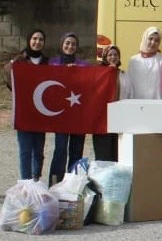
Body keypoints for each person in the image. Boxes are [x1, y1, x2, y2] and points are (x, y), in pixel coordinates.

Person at [48, 32, 89, 184]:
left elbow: (89, 85)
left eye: (73, 44)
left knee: (76, 151)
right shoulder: (53, 63)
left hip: (79, 115)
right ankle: (55, 184)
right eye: (67, 43)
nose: (70, 46)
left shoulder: (84, 65)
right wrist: (64, 70)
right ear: (62, 44)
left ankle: (72, 186)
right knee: (60, 150)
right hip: (61, 115)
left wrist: (77, 72)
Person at [8, 30, 47, 181]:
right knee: (25, 150)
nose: (37, 42)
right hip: (24, 112)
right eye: (34, 39)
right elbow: (9, 79)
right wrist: (11, 67)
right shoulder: (20, 60)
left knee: (38, 150)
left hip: (41, 112)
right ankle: (25, 182)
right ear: (29, 40)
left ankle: (36, 178)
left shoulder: (47, 62)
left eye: (41, 39)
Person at [96, 45, 131, 161]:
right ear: (105, 57)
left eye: (115, 55)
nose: (113, 57)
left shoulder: (123, 75)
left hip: (120, 118)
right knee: (104, 153)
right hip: (102, 119)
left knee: (117, 152)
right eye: (110, 55)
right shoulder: (98, 73)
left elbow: (129, 94)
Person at [128, 27, 162, 100]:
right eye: (150, 39)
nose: (153, 43)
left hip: (158, 103)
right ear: (145, 38)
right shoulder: (134, 60)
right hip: (138, 104)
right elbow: (129, 84)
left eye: (156, 40)